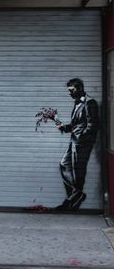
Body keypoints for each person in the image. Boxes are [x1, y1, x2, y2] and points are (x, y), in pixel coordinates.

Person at [55, 78, 99, 211]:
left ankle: (71, 200)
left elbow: (92, 125)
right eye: (69, 91)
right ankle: (76, 195)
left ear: (79, 88)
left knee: (78, 172)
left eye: (71, 90)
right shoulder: (77, 103)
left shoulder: (90, 102)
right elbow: (78, 124)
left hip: (82, 143)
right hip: (74, 141)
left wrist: (82, 138)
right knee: (64, 165)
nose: (69, 93)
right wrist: (65, 127)